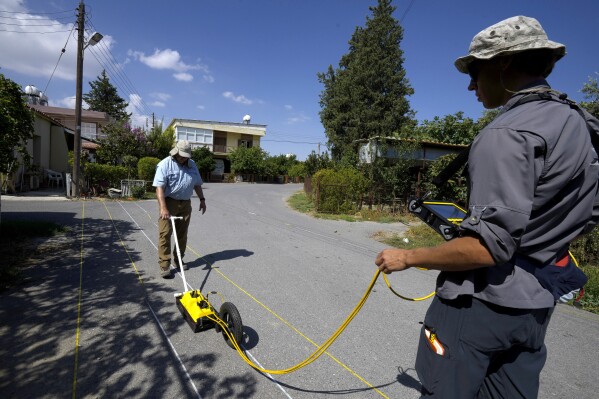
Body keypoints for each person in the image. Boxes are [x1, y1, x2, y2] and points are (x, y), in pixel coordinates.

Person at [375, 16, 599, 399]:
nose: (471, 83)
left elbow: (487, 247)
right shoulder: (581, 123)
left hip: (480, 306)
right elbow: (587, 215)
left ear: (504, 63)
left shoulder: (506, 132)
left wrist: (407, 256)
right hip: (536, 303)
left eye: (476, 69)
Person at [153, 140, 206, 279]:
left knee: (182, 234)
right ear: (175, 152)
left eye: (186, 156)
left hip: (186, 203)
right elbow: (159, 187)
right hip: (169, 202)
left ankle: (178, 259)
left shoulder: (192, 164)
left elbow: (197, 184)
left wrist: (202, 200)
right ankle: (165, 264)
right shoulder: (165, 164)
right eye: (181, 155)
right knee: (165, 233)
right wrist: (163, 208)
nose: (183, 158)